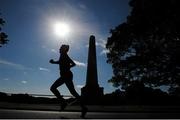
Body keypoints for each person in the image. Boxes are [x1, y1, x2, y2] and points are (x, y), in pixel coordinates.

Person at [49, 44, 87, 118]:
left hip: (66, 75)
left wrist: (66, 67)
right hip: (66, 75)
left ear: (64, 49)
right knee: (73, 92)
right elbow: (71, 64)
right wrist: (67, 66)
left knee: (53, 88)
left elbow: (71, 64)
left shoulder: (64, 55)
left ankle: (63, 102)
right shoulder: (64, 55)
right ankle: (83, 108)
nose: (59, 49)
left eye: (60, 48)